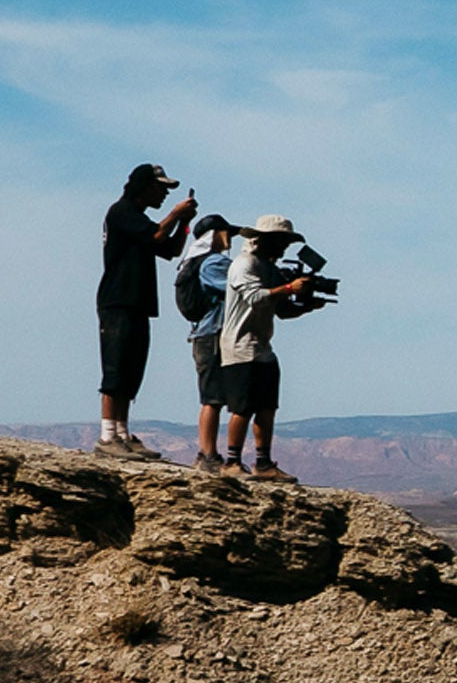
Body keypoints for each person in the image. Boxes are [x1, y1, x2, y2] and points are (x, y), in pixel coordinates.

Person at [95, 164, 200, 460]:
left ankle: (122, 434)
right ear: (144, 185)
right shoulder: (122, 212)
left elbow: (169, 250)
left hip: (137, 301)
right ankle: (107, 436)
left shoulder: (138, 219)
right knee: (116, 367)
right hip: (118, 300)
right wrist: (176, 216)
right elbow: (156, 237)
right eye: (161, 188)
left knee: (131, 369)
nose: (165, 194)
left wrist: (183, 224)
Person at [212, 214, 316, 481]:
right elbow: (256, 297)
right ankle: (232, 461)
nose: (284, 249)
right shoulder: (243, 264)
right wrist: (289, 287)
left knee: (267, 406)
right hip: (240, 346)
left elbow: (280, 309)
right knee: (243, 406)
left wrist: (305, 304)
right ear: (267, 240)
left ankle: (264, 462)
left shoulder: (268, 268)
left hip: (262, 347)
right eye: (281, 242)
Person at [179, 219, 238, 475]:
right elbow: (236, 287)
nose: (230, 237)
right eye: (226, 232)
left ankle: (208, 453)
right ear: (214, 235)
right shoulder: (213, 262)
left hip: (205, 333)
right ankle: (208, 454)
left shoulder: (196, 262)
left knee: (212, 395)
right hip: (212, 334)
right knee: (212, 397)